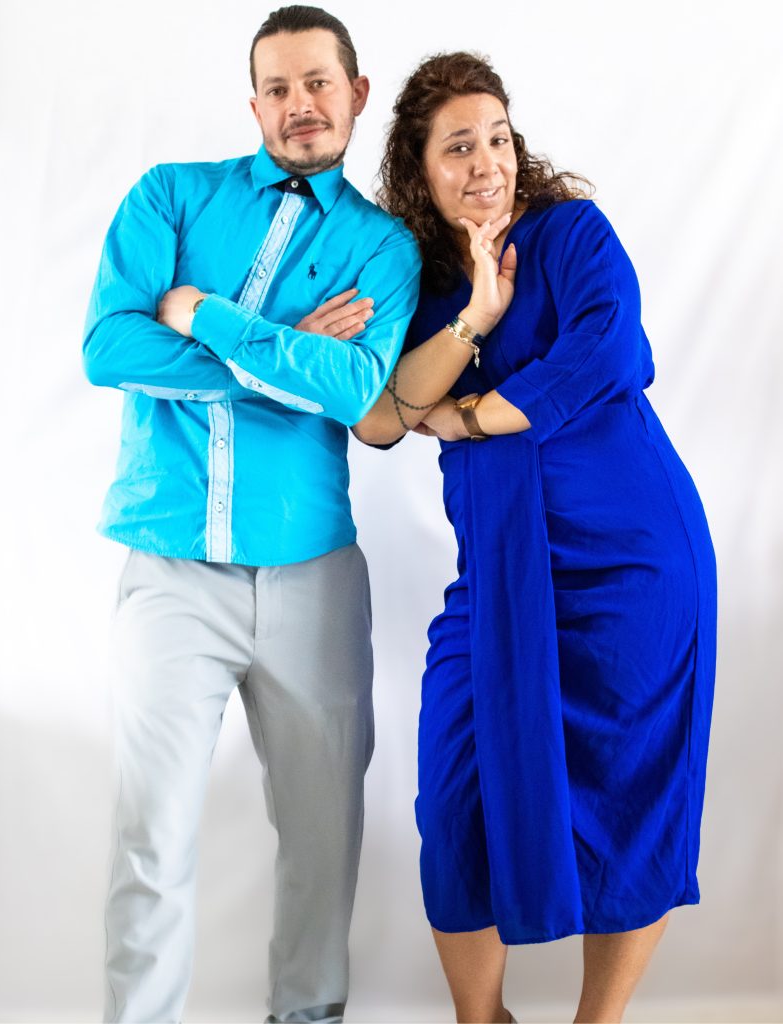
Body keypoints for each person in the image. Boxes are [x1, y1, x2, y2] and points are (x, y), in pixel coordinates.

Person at [354, 52, 717, 1024]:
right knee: (455, 794)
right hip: (500, 576)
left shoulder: (572, 234)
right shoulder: (420, 286)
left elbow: (608, 350)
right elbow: (383, 415)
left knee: (631, 792)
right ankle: (484, 1019)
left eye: (499, 139)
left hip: (633, 562)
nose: (486, 163)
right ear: (417, 170)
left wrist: (471, 417)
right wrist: (476, 313)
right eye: (459, 147)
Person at [82, 6, 420, 1022]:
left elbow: (359, 389)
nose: (299, 104)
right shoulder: (170, 197)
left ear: (356, 94)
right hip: (169, 567)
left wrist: (214, 320)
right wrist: (283, 353)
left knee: (323, 841)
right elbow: (109, 348)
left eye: (318, 82)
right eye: (277, 87)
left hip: (311, 575)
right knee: (151, 831)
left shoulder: (386, 247)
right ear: (254, 103)